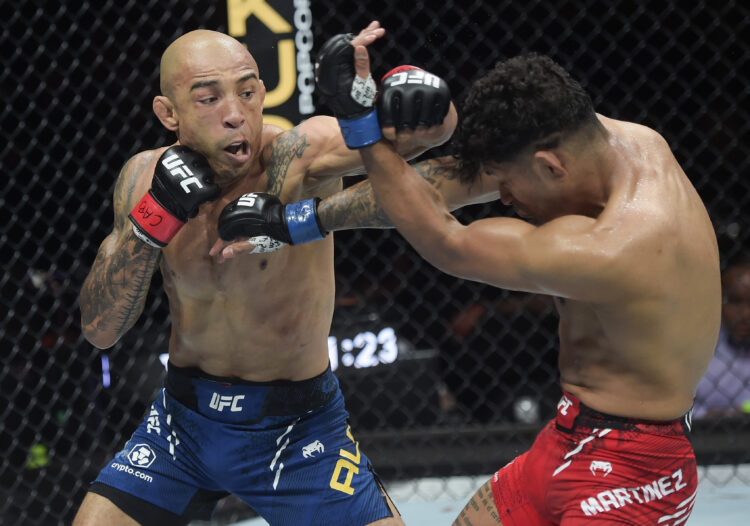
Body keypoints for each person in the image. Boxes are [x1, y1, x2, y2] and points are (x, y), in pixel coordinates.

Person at [74, 23, 498, 526]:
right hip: (181, 425)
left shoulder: (298, 155)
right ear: (170, 113)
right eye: (208, 99)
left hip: (298, 431)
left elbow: (431, 133)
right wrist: (153, 221)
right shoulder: (143, 178)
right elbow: (100, 329)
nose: (236, 115)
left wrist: (403, 94)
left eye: (249, 92)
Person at [302, 49, 721, 525]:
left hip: (635, 476)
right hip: (565, 437)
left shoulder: (617, 247)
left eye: (507, 184)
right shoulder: (614, 142)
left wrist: (359, 120)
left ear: (550, 166)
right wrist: (301, 220)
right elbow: (446, 186)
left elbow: (447, 240)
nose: (501, 198)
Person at [694, 255, 750, 418]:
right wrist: (705, 415)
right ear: (718, 299)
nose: (745, 314)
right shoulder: (697, 350)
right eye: (735, 301)